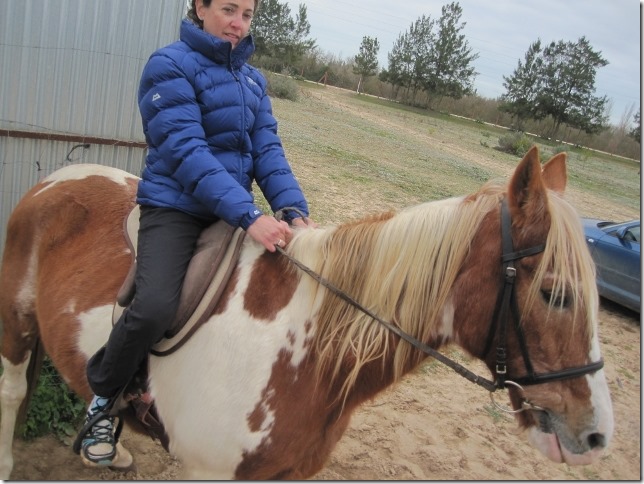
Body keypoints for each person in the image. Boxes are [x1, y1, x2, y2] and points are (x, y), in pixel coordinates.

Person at [78, 0, 314, 466]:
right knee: (153, 307)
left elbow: (267, 150)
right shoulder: (168, 65)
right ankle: (103, 401)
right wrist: (250, 215)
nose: (238, 23)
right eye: (228, 10)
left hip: (229, 210)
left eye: (246, 15)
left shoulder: (252, 80)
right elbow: (187, 153)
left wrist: (293, 209)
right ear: (199, 9)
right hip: (176, 207)